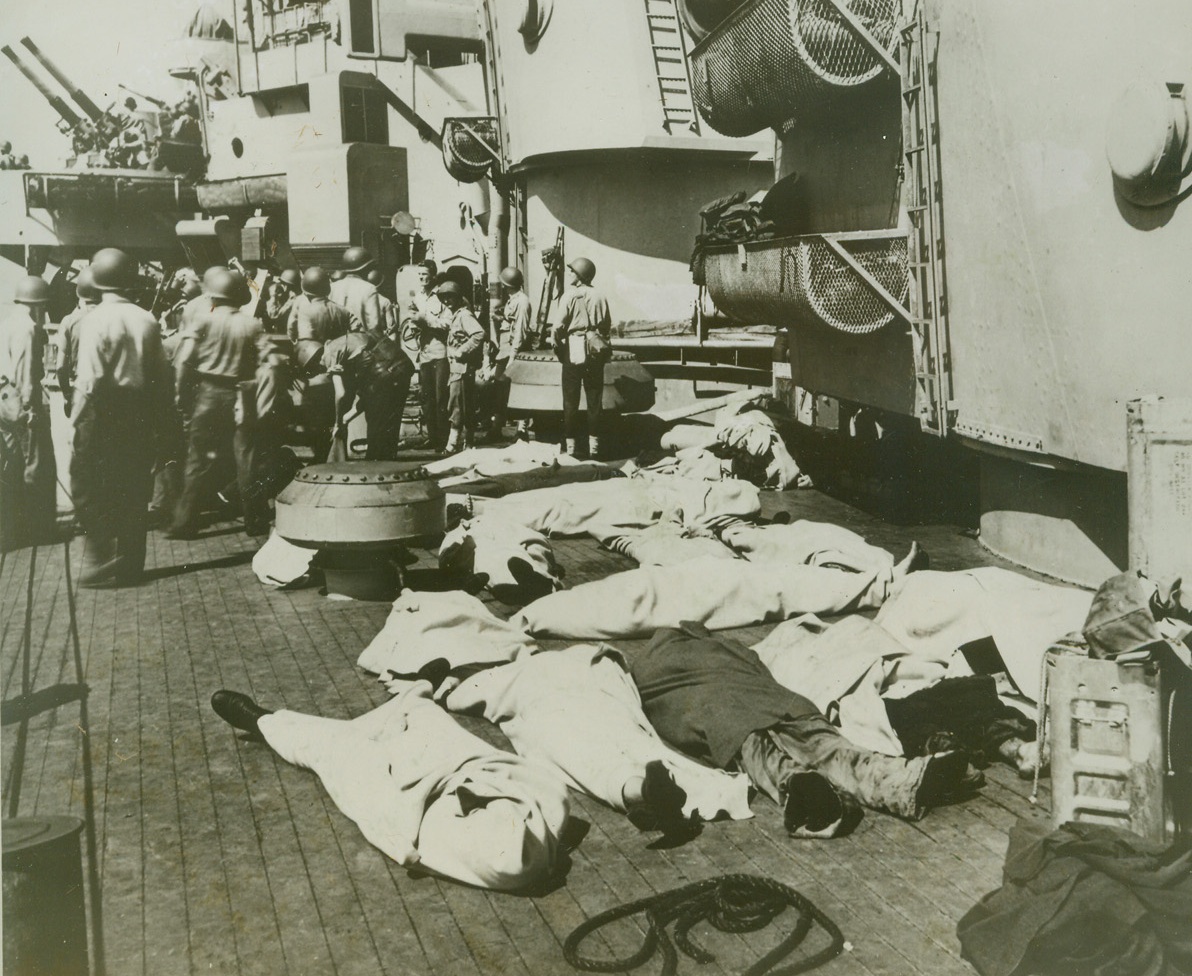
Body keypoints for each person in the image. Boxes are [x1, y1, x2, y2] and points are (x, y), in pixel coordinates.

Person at [629, 623, 979, 837]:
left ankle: (807, 791)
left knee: (762, 755)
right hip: (768, 702)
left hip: (726, 716)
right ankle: (898, 779)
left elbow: (668, 711)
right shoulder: (712, 648)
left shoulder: (646, 670)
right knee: (826, 745)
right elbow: (753, 664)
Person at [208, 685, 570, 892]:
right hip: (466, 776)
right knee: (431, 723)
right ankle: (416, 695)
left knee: (332, 748)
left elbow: (399, 832)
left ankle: (263, 721)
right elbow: (536, 787)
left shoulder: (461, 846)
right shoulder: (542, 811)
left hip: (410, 803)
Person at [70, 250, 172, 584]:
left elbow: (88, 380)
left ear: (98, 282)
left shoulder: (95, 321)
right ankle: (129, 567)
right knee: (134, 490)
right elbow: (161, 378)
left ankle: (103, 552)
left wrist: (76, 424)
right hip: (140, 412)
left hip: (103, 411)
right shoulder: (147, 319)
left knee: (87, 485)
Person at [169, 268, 267, 538]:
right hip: (242, 395)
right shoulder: (252, 324)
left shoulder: (202, 321)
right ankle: (255, 522)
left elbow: (183, 361)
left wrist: (180, 394)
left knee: (198, 459)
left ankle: (184, 522)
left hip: (209, 393)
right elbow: (270, 361)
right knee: (246, 459)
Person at [0, 275, 58, 553]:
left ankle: (17, 526)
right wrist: (29, 409)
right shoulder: (27, 328)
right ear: (38, 303)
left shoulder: (8, 322)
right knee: (35, 464)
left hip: (5, 404)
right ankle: (37, 529)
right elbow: (25, 373)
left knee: (13, 465)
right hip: (22, 404)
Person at [322, 315, 415, 461]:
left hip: (385, 373)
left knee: (376, 422)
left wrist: (337, 423)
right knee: (390, 422)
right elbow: (368, 396)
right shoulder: (354, 339)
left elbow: (340, 394)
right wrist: (346, 418)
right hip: (403, 367)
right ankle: (387, 462)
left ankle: (376, 464)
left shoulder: (329, 353)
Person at [551, 256, 611, 459]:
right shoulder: (600, 296)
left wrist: (559, 346)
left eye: (572, 271)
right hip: (595, 351)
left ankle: (571, 448)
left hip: (573, 351)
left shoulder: (569, 296)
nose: (569, 274)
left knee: (570, 402)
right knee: (595, 401)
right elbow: (606, 326)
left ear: (579, 275)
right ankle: (595, 448)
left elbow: (558, 328)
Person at [401, 261, 450, 451]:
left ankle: (444, 440)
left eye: (425, 274)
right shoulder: (419, 297)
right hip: (425, 353)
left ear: (434, 276)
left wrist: (425, 320)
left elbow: (447, 323)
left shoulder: (443, 296)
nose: (422, 278)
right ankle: (432, 437)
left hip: (440, 352)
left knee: (440, 398)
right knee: (427, 398)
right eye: (419, 274)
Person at [483, 266, 534, 441]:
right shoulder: (514, 300)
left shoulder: (522, 301)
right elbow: (511, 323)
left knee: (517, 392)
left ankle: (521, 430)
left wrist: (514, 356)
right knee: (499, 390)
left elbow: (520, 329)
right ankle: (497, 428)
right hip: (504, 350)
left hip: (513, 351)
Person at [435, 280, 485, 455]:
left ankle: (453, 444)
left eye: (450, 297)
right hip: (458, 367)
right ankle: (468, 443)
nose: (447, 301)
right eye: (444, 298)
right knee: (464, 405)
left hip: (462, 368)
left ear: (457, 297)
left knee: (456, 405)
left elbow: (479, 334)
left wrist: (462, 351)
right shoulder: (456, 314)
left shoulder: (464, 316)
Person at [56, 267, 102, 416]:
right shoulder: (112, 318)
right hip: (107, 393)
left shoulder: (69, 321)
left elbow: (60, 367)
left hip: (81, 391)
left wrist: (67, 396)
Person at [287, 267, 359, 345]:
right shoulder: (343, 311)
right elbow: (358, 330)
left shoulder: (301, 310)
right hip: (335, 355)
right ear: (327, 289)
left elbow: (291, 329)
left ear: (305, 292)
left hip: (309, 354)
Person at [329, 246, 386, 334]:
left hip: (336, 344)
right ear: (364, 268)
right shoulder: (369, 288)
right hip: (361, 343)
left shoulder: (332, 287)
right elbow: (375, 325)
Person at [263, 269, 301, 334]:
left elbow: (274, 315)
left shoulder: (294, 298)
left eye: (283, 284)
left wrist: (273, 296)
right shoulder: (290, 295)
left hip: (287, 334)